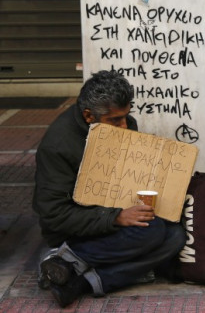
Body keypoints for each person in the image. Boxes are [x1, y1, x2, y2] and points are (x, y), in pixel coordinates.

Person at [33, 70, 186, 307]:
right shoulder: (58, 146)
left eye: (126, 116)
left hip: (111, 216)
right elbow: (53, 215)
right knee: (152, 232)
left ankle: (79, 279)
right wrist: (115, 218)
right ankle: (66, 254)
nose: (124, 126)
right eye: (115, 120)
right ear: (88, 116)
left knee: (175, 235)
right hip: (75, 228)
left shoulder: (124, 126)